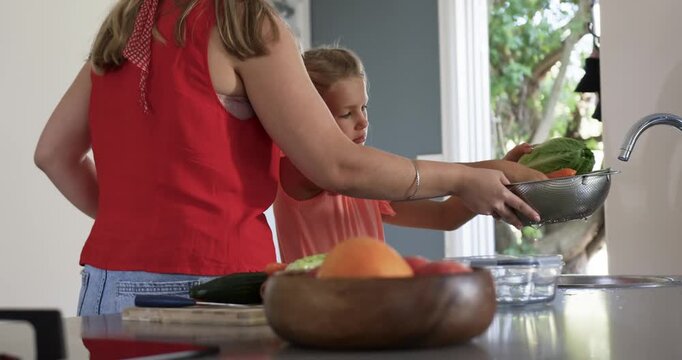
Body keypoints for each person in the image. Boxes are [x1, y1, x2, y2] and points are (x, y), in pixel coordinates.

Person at [34, 0, 542, 315]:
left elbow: (53, 154)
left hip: (105, 286)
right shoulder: (242, 22)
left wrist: (146, 222)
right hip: (211, 291)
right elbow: (337, 165)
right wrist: (464, 176)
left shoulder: (125, 29)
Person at [273, 47, 545, 262]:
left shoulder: (365, 185)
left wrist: (495, 174)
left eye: (364, 108)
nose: (363, 122)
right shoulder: (302, 169)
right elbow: (344, 173)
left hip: (365, 315)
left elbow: (444, 217)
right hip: (318, 315)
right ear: (309, 118)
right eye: (346, 113)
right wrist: (489, 170)